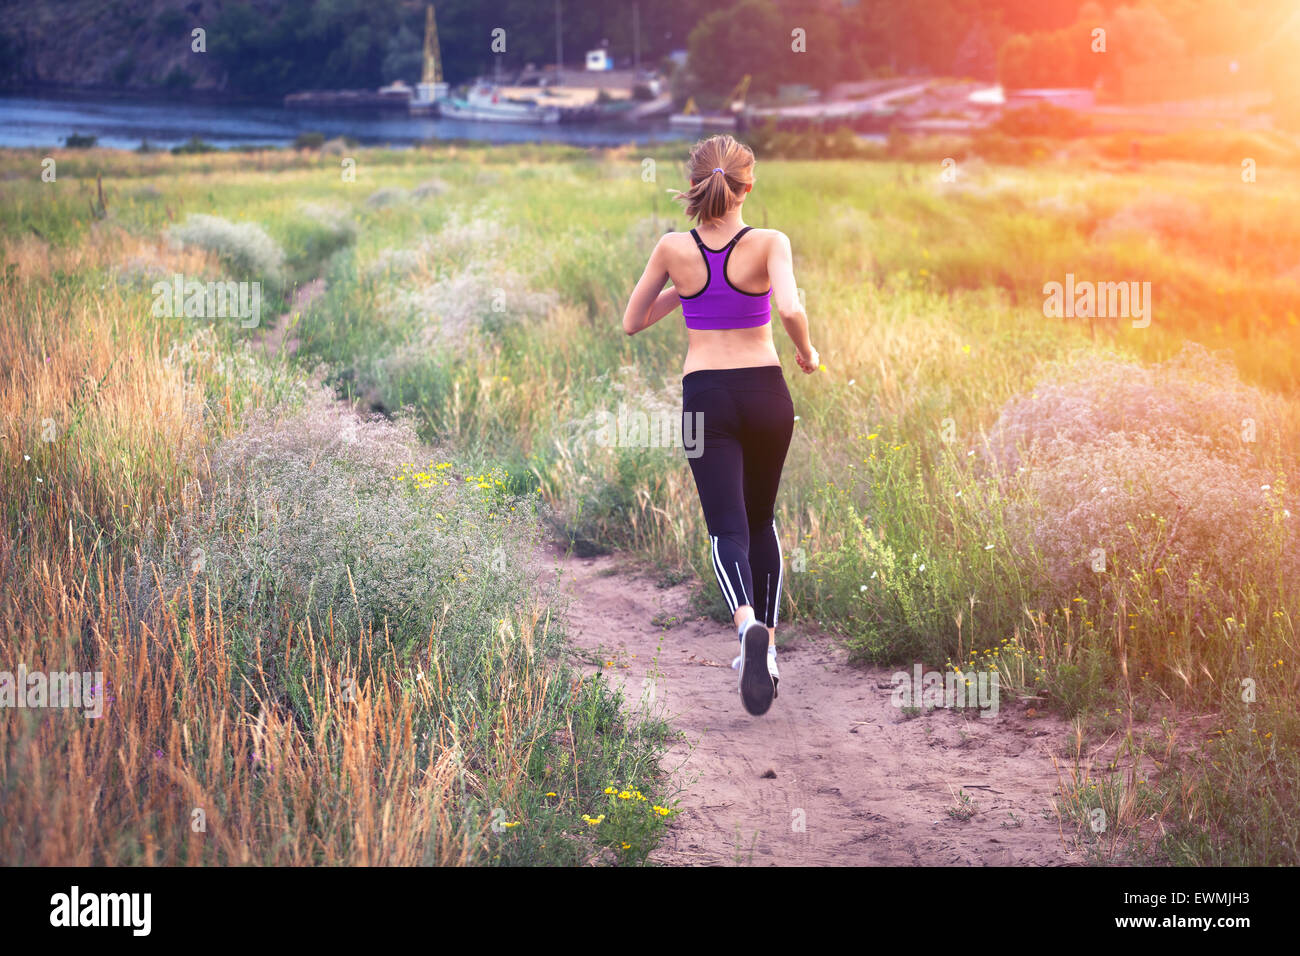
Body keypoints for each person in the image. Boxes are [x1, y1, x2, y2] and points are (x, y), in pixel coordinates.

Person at [622, 134, 819, 716]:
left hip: (704, 394)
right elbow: (788, 308)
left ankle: (744, 626)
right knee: (763, 521)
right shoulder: (769, 242)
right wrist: (806, 353)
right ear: (748, 185)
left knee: (725, 528)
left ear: (696, 182)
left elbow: (633, 322)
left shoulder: (671, 247)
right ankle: (771, 650)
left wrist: (689, 291)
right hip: (766, 393)